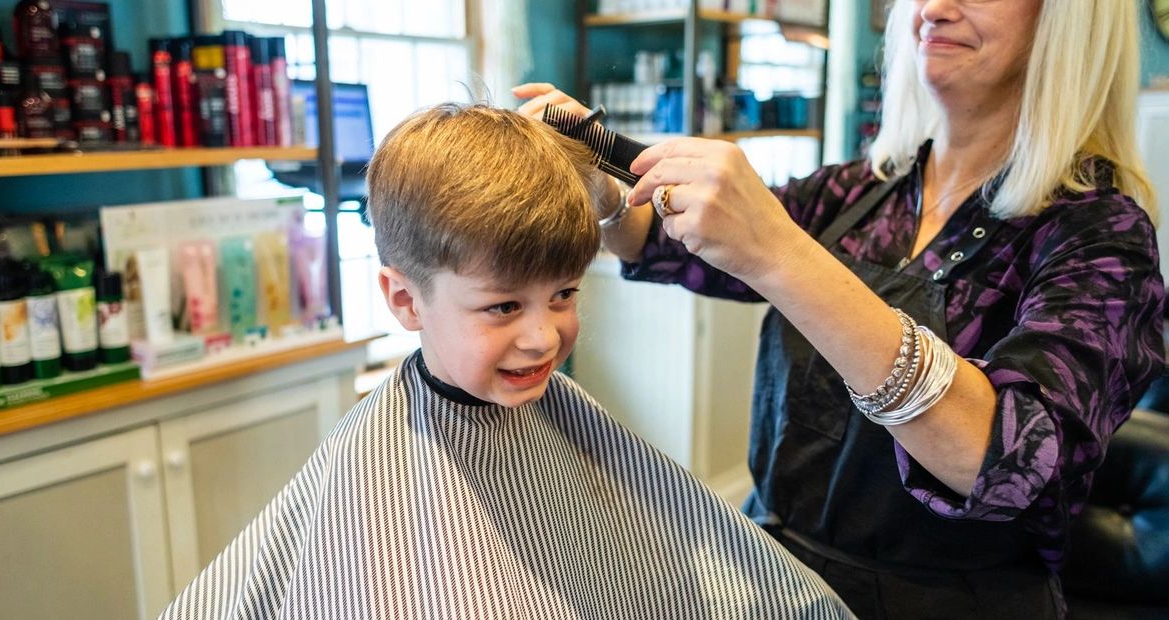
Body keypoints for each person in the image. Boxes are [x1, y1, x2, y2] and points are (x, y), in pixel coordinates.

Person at [514, 1, 1163, 618]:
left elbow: (1019, 465)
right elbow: (671, 241)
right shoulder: (866, 191)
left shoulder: (1098, 234)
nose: (932, 7)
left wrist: (780, 253)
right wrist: (601, 186)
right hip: (778, 572)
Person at [157, 104, 853, 619]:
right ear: (404, 300)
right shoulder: (367, 466)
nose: (543, 338)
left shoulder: (571, 423)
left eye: (563, 295)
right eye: (501, 308)